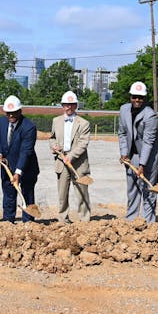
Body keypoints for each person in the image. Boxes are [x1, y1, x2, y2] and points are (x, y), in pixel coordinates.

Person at [118, 81, 158, 223]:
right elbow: (122, 133)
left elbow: (148, 142)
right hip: (132, 154)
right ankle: (131, 219)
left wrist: (142, 164)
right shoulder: (124, 110)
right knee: (132, 186)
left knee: (148, 188)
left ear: (145, 99)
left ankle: (148, 221)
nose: (137, 100)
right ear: (130, 97)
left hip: (150, 155)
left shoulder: (150, 115)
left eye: (140, 97)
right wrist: (124, 152)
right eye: (134, 97)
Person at [0, 95, 40, 223]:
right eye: (8, 113)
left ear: (20, 111)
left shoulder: (29, 127)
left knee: (27, 194)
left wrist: (18, 172)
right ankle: (8, 220)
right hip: (7, 166)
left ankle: (28, 221)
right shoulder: (0, 122)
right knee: (8, 194)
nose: (11, 116)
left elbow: (26, 151)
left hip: (27, 167)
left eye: (14, 113)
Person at [50, 91, 92, 223]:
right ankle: (63, 218)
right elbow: (52, 138)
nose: (69, 107)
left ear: (76, 106)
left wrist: (71, 156)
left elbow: (83, 143)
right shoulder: (56, 121)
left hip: (78, 163)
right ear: (62, 106)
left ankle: (84, 219)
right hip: (61, 162)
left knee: (81, 192)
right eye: (66, 105)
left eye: (72, 105)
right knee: (62, 193)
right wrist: (54, 146)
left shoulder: (84, 123)